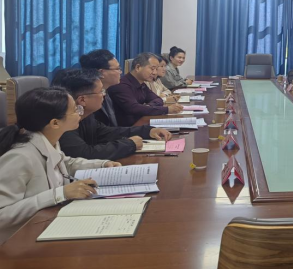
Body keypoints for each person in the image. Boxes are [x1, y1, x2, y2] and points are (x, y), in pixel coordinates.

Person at [0, 87, 121, 243]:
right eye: (75, 110)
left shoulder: (48, 140)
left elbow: (65, 163)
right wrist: (59, 194)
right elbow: (3, 214)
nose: (80, 112)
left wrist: (102, 164)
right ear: (55, 123)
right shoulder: (20, 157)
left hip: (49, 226)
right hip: (18, 243)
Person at [54, 69, 173, 160]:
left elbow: (106, 132)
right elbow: (84, 153)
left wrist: (147, 131)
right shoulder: (63, 121)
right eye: (101, 91)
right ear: (82, 100)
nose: (104, 95)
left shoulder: (87, 115)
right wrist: (129, 144)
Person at [108, 52, 184, 127]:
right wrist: (167, 109)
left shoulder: (142, 84)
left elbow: (158, 99)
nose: (155, 73)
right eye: (152, 68)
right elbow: (134, 108)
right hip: (130, 129)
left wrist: (148, 107)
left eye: (156, 69)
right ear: (138, 67)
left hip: (142, 122)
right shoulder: (121, 85)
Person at [79, 49, 122, 127]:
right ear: (101, 72)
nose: (120, 72)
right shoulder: (88, 99)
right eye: (117, 69)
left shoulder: (107, 91)